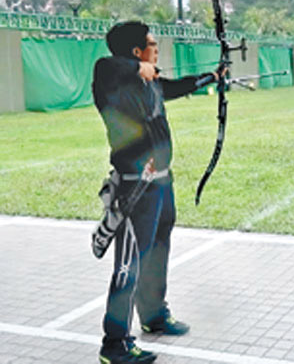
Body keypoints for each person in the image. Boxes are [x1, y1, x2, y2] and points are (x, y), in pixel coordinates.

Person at [92, 21, 226, 364]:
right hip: (136, 185)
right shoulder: (111, 81)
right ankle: (115, 343)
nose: (157, 49)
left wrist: (213, 76)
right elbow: (108, 65)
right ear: (137, 52)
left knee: (158, 251)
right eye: (152, 44)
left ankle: (153, 315)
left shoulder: (147, 84)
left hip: (162, 183)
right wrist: (140, 67)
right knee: (129, 262)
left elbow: (175, 86)